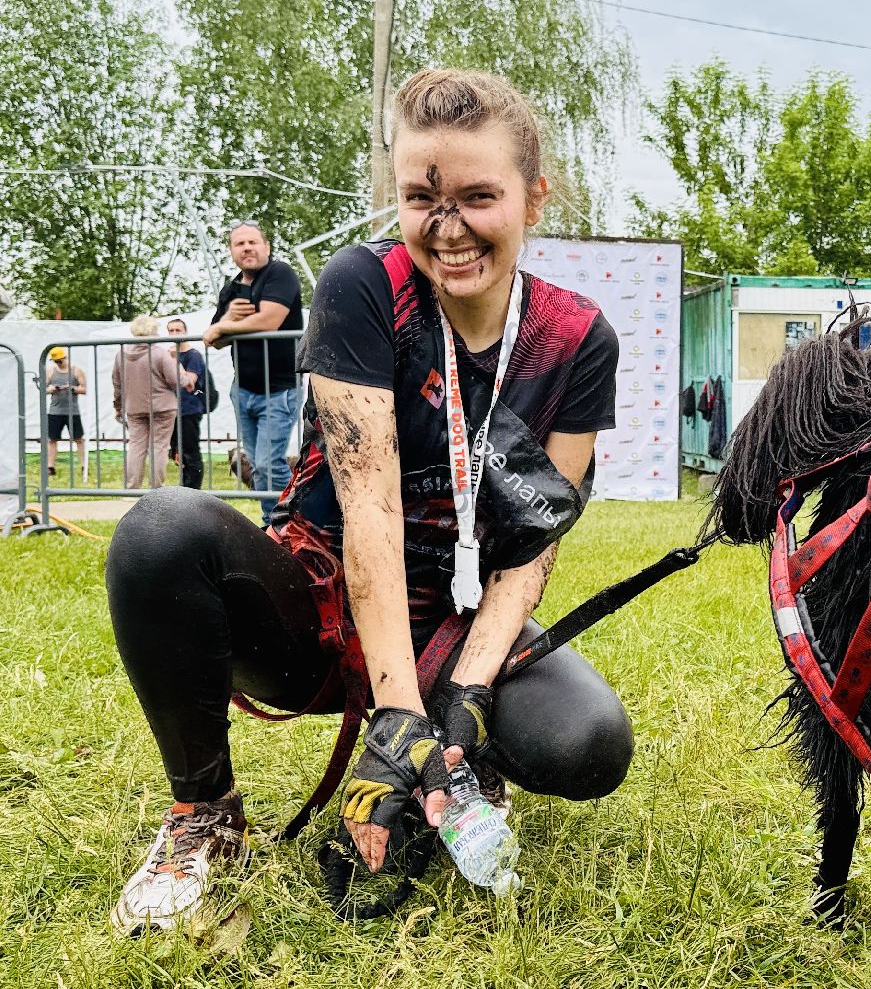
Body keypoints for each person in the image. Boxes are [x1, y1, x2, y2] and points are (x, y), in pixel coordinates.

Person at [106, 69, 630, 935]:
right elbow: (372, 514)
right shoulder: (366, 284)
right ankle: (205, 817)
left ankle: (459, 763)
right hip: (323, 594)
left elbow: (534, 543)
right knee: (160, 531)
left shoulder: (579, 340)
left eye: (478, 197)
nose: (447, 226)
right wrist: (397, 711)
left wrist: (462, 691)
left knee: (587, 742)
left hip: (458, 614)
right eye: (421, 196)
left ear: (534, 199)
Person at [202, 221, 303, 524]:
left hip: (280, 389)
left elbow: (269, 320)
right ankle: (276, 523)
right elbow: (214, 341)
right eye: (239, 244)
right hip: (243, 390)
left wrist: (225, 325)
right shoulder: (231, 289)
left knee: (269, 462)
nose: (247, 248)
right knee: (259, 464)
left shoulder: (280, 274)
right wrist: (226, 323)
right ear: (232, 251)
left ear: (266, 247)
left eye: (253, 242)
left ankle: (290, 523)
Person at [112, 316, 192, 490]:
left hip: (134, 407)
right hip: (163, 407)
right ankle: (156, 489)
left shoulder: (121, 354)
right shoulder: (159, 353)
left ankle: (132, 488)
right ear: (153, 331)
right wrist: (184, 374)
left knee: (136, 446)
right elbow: (176, 381)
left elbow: (117, 384)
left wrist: (118, 407)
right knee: (160, 447)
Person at [167, 318, 208, 489]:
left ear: (185, 332)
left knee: (191, 452)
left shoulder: (193, 355)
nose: (175, 334)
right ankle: (184, 488)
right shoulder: (167, 354)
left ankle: (193, 490)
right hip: (172, 410)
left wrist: (175, 361)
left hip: (189, 410)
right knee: (177, 452)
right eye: (171, 330)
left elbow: (189, 382)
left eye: (178, 330)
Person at [44, 347, 87, 479]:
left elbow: (85, 389)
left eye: (59, 360)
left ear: (65, 358)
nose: (58, 363)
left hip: (72, 412)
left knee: (78, 439)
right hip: (54, 411)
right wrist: (50, 389)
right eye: (55, 361)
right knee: (52, 439)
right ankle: (50, 467)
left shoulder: (76, 371)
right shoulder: (50, 371)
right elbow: (43, 388)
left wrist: (72, 389)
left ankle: (84, 465)